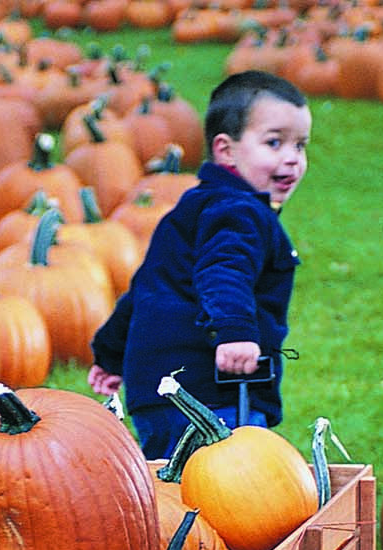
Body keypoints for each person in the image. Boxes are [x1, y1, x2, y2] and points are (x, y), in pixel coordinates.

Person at [88, 70, 310, 459]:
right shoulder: (240, 211)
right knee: (234, 490)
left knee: (175, 489)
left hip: (157, 394)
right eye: (275, 143)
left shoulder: (195, 207)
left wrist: (110, 353)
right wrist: (235, 331)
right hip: (210, 392)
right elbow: (225, 270)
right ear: (226, 151)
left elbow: (148, 288)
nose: (292, 159)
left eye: (300, 145)